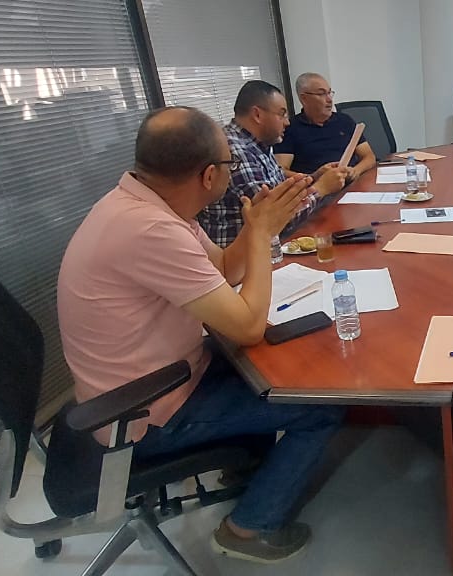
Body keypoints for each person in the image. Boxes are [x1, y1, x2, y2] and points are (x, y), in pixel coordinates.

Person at [58, 107, 344, 564]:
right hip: (143, 411)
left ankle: (245, 465)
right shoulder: (150, 229)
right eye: (231, 162)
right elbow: (247, 327)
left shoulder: (149, 203)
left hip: (161, 374)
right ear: (209, 175)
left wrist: (259, 226)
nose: (234, 171)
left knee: (287, 362)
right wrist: (262, 235)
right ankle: (249, 528)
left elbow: (223, 269)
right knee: (321, 406)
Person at [199, 80, 348, 247]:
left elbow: (280, 191)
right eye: (282, 114)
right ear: (257, 115)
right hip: (245, 256)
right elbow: (278, 219)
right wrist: (322, 188)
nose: (287, 122)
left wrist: (313, 178)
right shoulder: (235, 151)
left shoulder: (258, 143)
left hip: (269, 246)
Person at [276, 73, 377, 179]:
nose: (329, 99)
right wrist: (313, 177)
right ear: (304, 98)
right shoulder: (289, 128)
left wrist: (355, 171)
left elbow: (369, 156)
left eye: (329, 93)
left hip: (351, 181)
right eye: (321, 94)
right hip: (316, 186)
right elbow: (281, 171)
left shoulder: (344, 121)